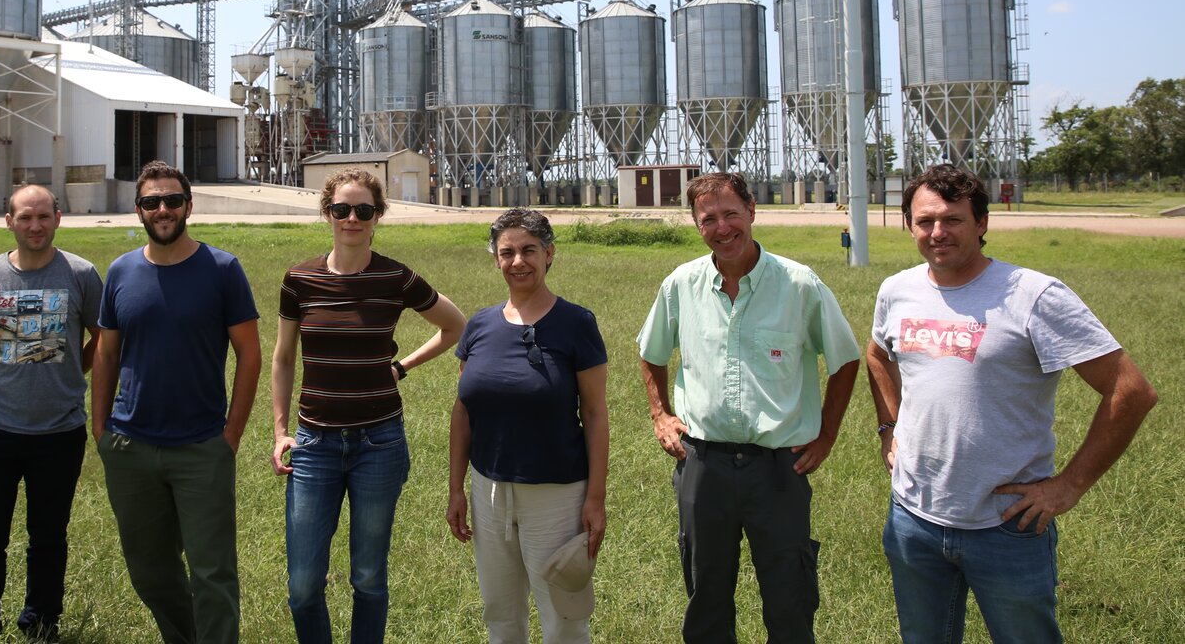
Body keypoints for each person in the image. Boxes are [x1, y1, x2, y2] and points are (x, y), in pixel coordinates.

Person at [866, 164, 1157, 643]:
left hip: (1006, 525)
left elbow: (1131, 390)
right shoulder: (897, 291)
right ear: (909, 225)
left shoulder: (1034, 295)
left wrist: (1068, 486)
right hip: (914, 518)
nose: (938, 232)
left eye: (953, 220)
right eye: (925, 221)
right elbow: (878, 355)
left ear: (981, 223)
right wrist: (888, 428)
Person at [636, 171, 860, 644]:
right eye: (709, 218)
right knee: (706, 597)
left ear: (752, 211)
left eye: (731, 214)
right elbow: (651, 352)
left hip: (779, 470)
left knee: (790, 597)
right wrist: (661, 414)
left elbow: (845, 359)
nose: (722, 228)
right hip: (704, 464)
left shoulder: (799, 285)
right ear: (697, 225)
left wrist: (826, 435)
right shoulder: (681, 284)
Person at [270, 169, 466, 644]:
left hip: (379, 442)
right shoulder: (300, 279)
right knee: (301, 585)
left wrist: (402, 366)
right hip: (314, 443)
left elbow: (454, 325)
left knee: (369, 578)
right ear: (326, 213)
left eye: (363, 210)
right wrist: (280, 430)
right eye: (341, 209)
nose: (351, 219)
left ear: (378, 216)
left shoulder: (395, 277)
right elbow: (282, 358)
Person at [92, 160, 261, 644]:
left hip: (201, 447)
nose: (162, 210)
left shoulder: (222, 269)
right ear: (138, 210)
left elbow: (249, 355)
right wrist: (100, 428)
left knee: (212, 574)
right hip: (130, 445)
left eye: (171, 200)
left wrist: (230, 435)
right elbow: (106, 353)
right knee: (149, 570)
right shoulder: (122, 272)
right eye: (151, 202)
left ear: (189, 205)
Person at [446, 208, 608, 644]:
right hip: (489, 490)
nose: (519, 261)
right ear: (496, 259)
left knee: (564, 617)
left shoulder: (577, 323)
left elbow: (594, 414)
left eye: (529, 250)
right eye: (507, 252)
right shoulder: (479, 325)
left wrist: (595, 498)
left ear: (550, 254)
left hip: (556, 493)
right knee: (500, 614)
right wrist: (457, 488)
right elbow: (463, 410)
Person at [0, 183, 103, 643]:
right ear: (9, 221)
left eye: (43, 216)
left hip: (59, 431)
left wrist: (70, 375)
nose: (35, 225)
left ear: (59, 218)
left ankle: (41, 621)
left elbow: (101, 336)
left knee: (48, 536)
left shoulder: (81, 274)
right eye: (25, 217)